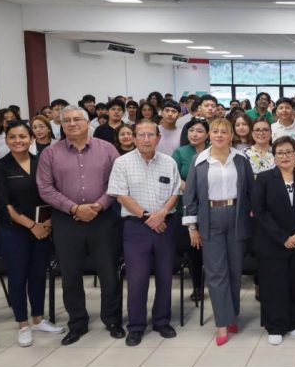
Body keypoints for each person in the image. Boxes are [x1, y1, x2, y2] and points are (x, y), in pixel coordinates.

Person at [36, 105, 124, 345]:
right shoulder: (50, 154)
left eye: (77, 119)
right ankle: (77, 323)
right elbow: (45, 188)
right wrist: (74, 208)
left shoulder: (107, 149)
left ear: (87, 123)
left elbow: (118, 181)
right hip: (66, 221)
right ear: (61, 125)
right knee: (70, 275)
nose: (72, 124)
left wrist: (98, 206)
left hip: (103, 218)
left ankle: (113, 319)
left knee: (108, 272)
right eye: (67, 121)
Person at [182, 118, 256, 346]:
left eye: (225, 131)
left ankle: (232, 314)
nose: (220, 135)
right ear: (209, 135)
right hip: (210, 218)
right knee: (216, 272)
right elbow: (190, 196)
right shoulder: (199, 160)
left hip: (236, 217)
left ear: (232, 134)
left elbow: (251, 192)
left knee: (234, 270)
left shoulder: (241, 159)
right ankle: (222, 323)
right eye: (215, 131)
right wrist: (192, 227)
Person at [107, 119, 180, 346]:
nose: (146, 139)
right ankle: (136, 326)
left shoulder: (169, 162)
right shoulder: (122, 163)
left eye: (151, 135)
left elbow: (176, 191)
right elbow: (120, 195)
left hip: (165, 226)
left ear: (158, 138)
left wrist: (162, 213)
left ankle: (161, 321)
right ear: (134, 138)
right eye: (142, 135)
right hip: (136, 227)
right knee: (137, 279)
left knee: (165, 277)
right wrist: (148, 217)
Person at [0, 121, 63, 346]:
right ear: (7, 140)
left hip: (42, 229)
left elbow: (53, 193)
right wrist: (32, 226)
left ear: (31, 138)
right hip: (14, 231)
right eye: (12, 137)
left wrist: (47, 224)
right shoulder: (0, 167)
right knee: (18, 277)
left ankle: (39, 319)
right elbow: (5, 205)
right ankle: (23, 324)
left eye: (22, 136)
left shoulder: (41, 162)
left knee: (38, 275)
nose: (18, 140)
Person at [253, 136, 295, 345]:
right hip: (273, 243)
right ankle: (275, 325)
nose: (284, 156)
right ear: (274, 156)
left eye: (289, 152)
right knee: (274, 286)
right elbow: (260, 212)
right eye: (280, 153)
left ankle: (293, 322)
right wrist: (283, 237)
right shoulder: (264, 179)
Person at [172, 118, 209, 302]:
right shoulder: (179, 152)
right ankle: (197, 286)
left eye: (200, 131)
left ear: (207, 134)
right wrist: (190, 187)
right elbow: (173, 177)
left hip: (211, 208)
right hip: (186, 207)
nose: (194, 134)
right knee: (194, 249)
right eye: (191, 130)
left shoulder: (213, 152)